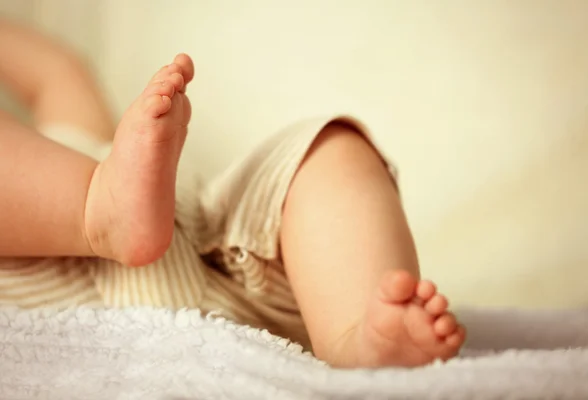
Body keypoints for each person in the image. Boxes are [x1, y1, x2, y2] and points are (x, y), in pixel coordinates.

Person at [0, 19, 465, 368]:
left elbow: (57, 71)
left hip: (232, 256)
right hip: (70, 275)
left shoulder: (67, 138)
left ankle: (360, 334)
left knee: (328, 152)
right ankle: (96, 210)